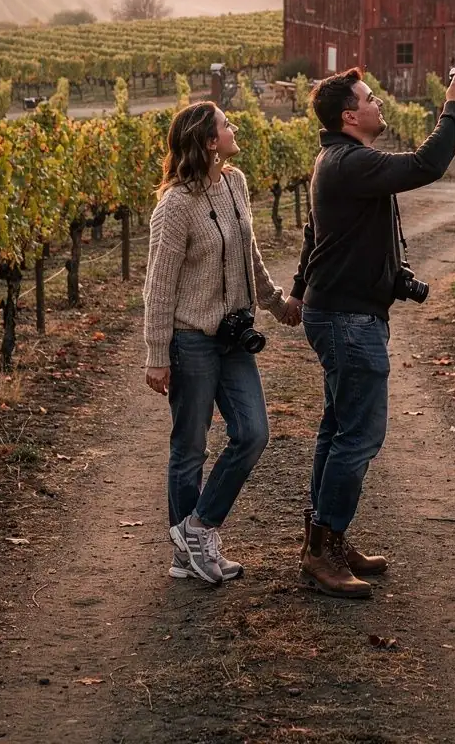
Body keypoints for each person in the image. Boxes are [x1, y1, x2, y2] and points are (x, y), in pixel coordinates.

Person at [287, 67, 455, 598]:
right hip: (348, 319)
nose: (378, 102)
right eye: (370, 98)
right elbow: (425, 164)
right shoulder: (350, 161)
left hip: (341, 312)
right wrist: (454, 106)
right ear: (351, 116)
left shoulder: (339, 160)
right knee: (359, 435)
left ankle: (325, 539)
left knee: (337, 428)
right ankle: (322, 551)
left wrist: (302, 289)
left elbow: (313, 233)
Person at [144, 100, 299, 586]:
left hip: (234, 336)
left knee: (253, 433)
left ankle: (195, 527)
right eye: (225, 125)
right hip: (191, 341)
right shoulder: (175, 206)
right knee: (190, 447)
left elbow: (248, 252)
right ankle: (188, 555)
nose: (234, 129)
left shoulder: (235, 183)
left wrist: (276, 303)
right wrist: (156, 355)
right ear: (208, 141)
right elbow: (159, 285)